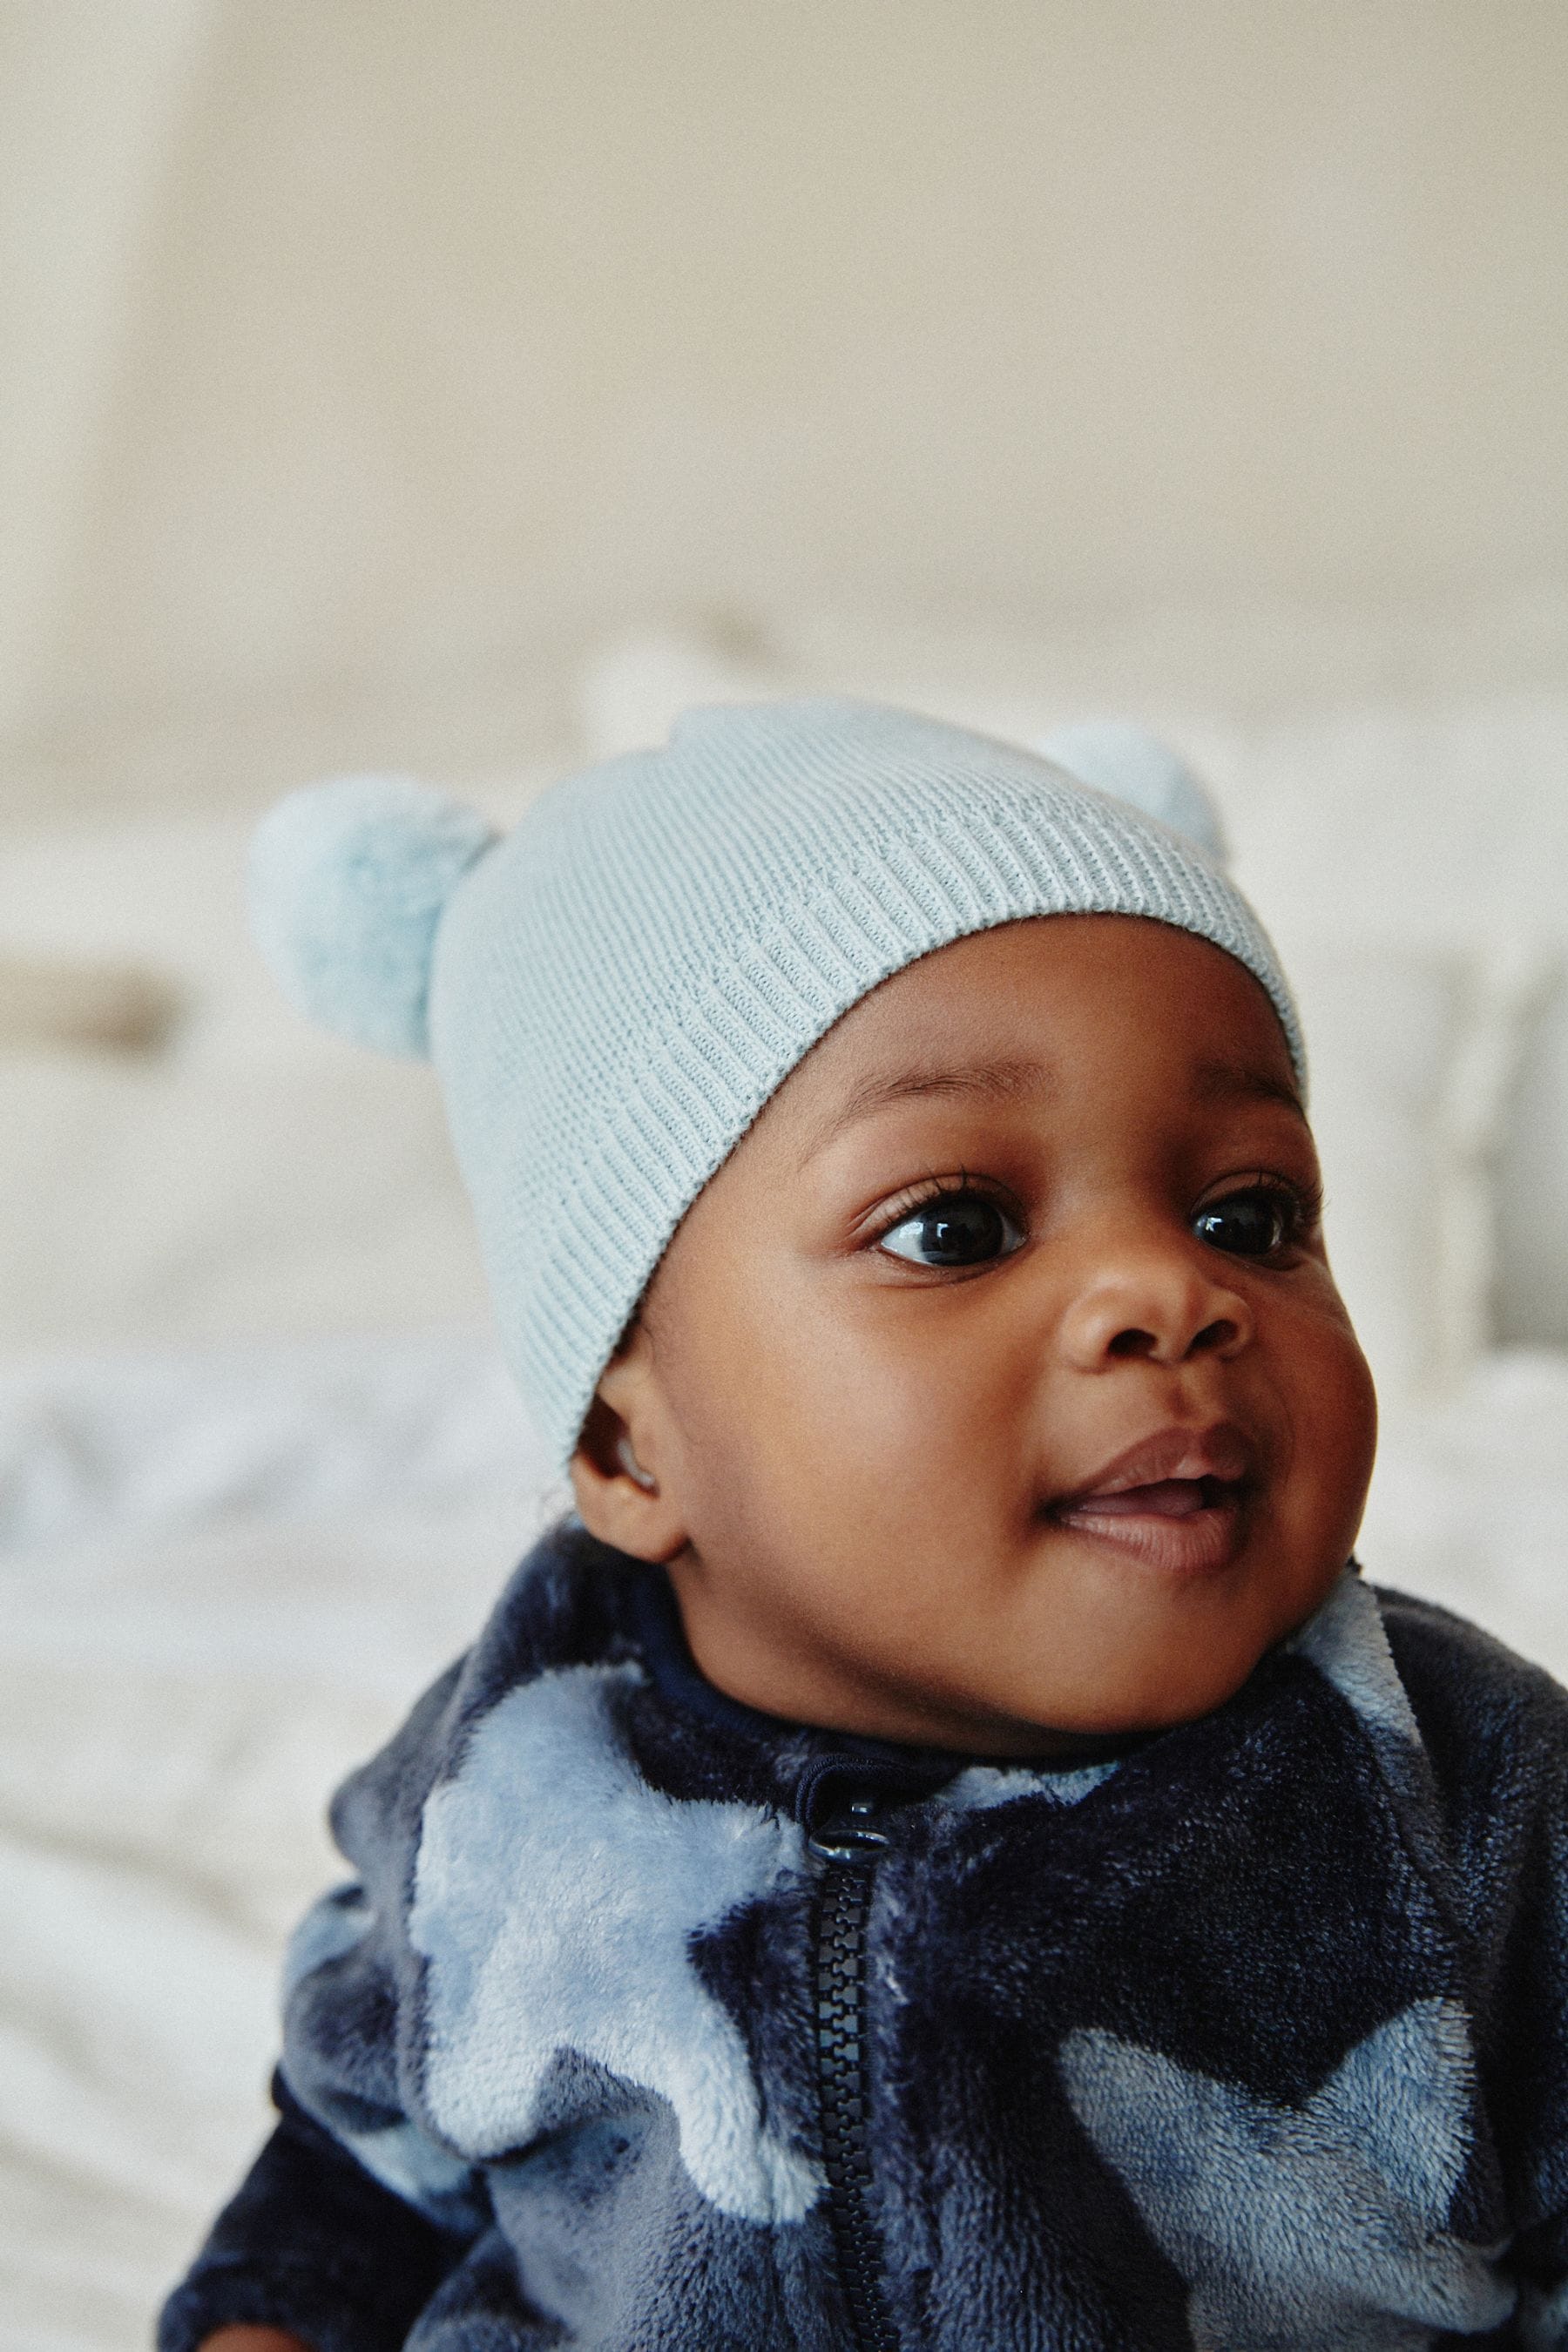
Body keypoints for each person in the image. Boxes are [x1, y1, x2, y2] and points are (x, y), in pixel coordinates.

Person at [161, 701, 1568, 2352]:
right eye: (957, 1227)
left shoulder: (1455, 1787)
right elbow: (359, 2158)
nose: (1167, 1293)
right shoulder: (513, 1780)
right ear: (628, 1442)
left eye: (1246, 1215)